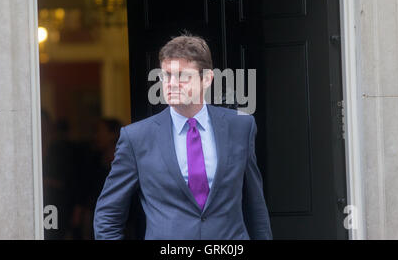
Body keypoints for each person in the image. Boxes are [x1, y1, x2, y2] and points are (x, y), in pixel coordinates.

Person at [93, 33, 273, 240]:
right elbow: (108, 214)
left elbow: (255, 205)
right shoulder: (137, 137)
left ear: (206, 78)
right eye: (166, 75)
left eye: (182, 76)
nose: (171, 83)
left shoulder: (241, 126)